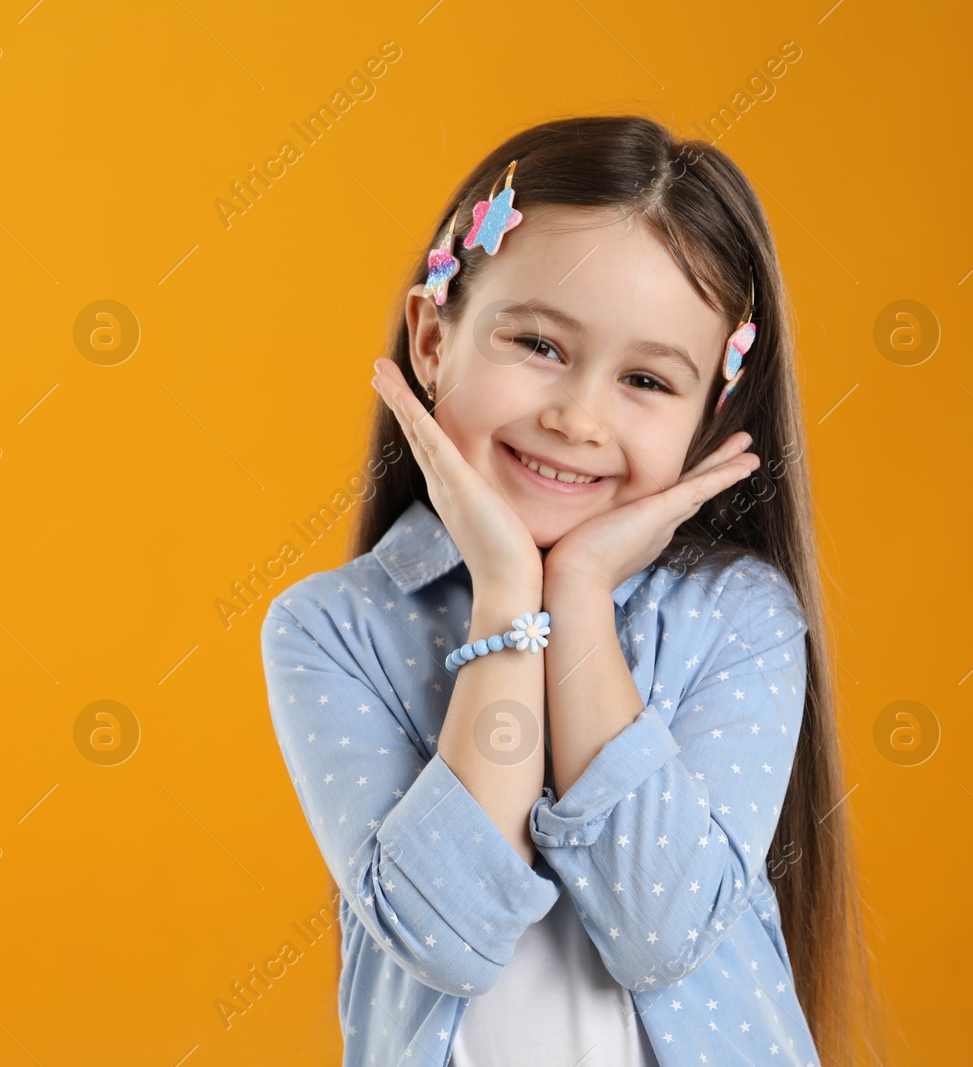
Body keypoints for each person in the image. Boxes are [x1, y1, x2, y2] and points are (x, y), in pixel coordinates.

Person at [259, 116, 882, 1066]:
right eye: (540, 345)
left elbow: (661, 933)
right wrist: (511, 596)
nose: (578, 416)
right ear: (433, 339)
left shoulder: (739, 619)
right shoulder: (337, 628)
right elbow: (444, 936)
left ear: (708, 419)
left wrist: (580, 593)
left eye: (644, 378)